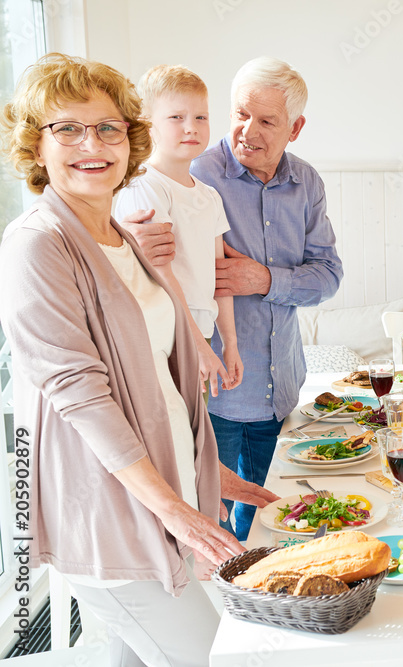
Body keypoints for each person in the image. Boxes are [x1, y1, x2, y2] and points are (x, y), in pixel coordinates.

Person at [0, 53, 278, 665]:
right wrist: (175, 508)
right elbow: (82, 394)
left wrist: (209, 472)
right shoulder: (36, 245)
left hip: (155, 496)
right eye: (66, 128)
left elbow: (155, 377)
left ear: (130, 139)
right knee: (215, 657)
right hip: (111, 513)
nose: (91, 144)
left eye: (108, 127)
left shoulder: (121, 239)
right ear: (35, 145)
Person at [129, 57, 343, 540]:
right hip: (212, 396)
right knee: (214, 529)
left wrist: (263, 279)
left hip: (280, 389)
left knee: (273, 523)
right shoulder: (192, 173)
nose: (247, 131)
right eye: (239, 114)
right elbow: (146, 273)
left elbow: (329, 276)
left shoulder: (306, 183)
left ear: (296, 128)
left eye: (267, 121)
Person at [115, 64, 242, 397]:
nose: (192, 127)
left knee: (194, 438)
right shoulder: (145, 188)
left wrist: (230, 342)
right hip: (166, 337)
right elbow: (162, 275)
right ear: (148, 125)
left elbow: (221, 275)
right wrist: (198, 347)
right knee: (174, 439)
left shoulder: (209, 195)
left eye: (201, 117)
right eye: (176, 117)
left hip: (199, 333)